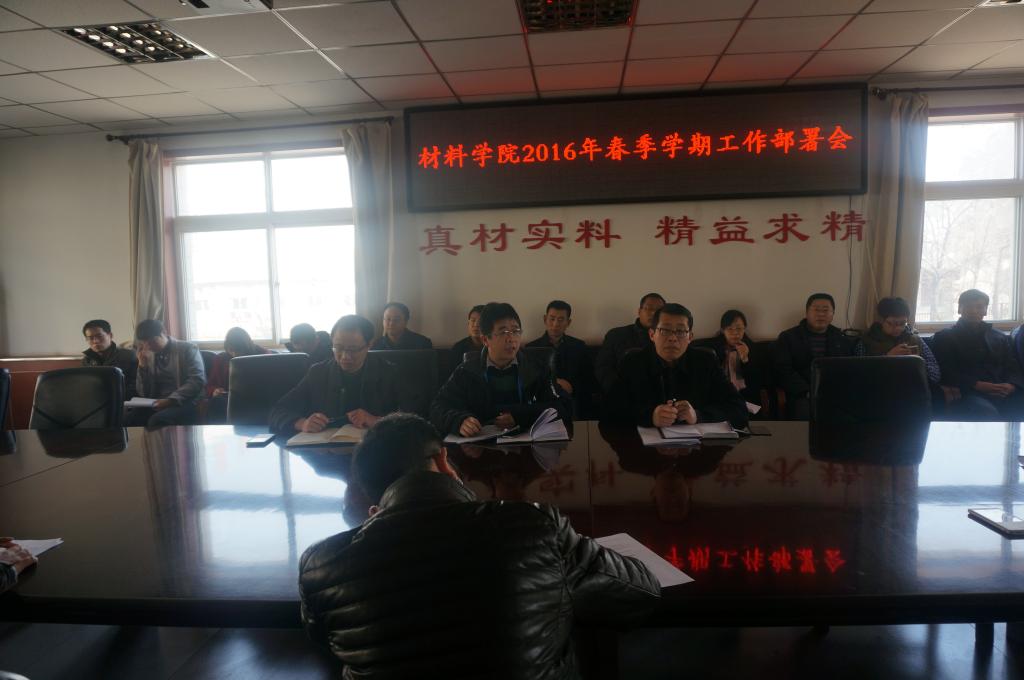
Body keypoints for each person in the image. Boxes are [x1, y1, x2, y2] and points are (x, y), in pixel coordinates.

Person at [298, 413, 660, 680]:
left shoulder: (321, 566)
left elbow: (325, 639)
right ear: (443, 460)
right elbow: (640, 593)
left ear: (371, 499)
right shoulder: (531, 527)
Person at [430, 302, 572, 436]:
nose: (511, 338)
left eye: (516, 331)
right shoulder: (466, 371)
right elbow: (437, 407)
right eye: (503, 332)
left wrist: (520, 415)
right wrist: (458, 420)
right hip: (479, 445)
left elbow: (563, 406)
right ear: (485, 340)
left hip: (525, 446)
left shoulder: (536, 368)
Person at [610, 303, 748, 429]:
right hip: (643, 446)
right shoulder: (633, 362)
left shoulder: (706, 361)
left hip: (697, 446)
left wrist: (698, 415)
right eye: (665, 330)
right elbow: (608, 411)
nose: (673, 338)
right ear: (652, 335)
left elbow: (739, 409)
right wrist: (650, 417)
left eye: (681, 332)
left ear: (690, 337)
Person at [269, 315, 415, 434]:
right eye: (338, 348)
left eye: (353, 349)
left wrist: (376, 421)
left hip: (374, 451)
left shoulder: (390, 373)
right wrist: (302, 423)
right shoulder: (318, 373)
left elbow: (415, 418)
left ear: (369, 344)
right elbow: (278, 411)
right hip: (327, 452)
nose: (345, 357)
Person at [931, 289, 1024, 420]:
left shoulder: (999, 337)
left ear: (985, 310)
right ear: (959, 309)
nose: (974, 311)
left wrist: (1012, 385)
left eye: (979, 307)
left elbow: (1013, 366)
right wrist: (977, 385)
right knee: (986, 412)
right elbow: (945, 371)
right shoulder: (944, 337)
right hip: (968, 392)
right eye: (968, 306)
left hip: (1003, 390)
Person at [774, 293, 855, 420]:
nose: (821, 314)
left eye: (826, 310)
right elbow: (783, 370)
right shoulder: (788, 337)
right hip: (802, 394)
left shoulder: (841, 339)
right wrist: (807, 391)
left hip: (835, 392)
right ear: (807, 313)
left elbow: (848, 369)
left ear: (833, 314)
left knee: (852, 412)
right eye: (816, 310)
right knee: (805, 415)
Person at [125, 319, 206, 428]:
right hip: (157, 401)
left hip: (185, 401)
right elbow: (143, 393)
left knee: (157, 420)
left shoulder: (188, 349)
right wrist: (142, 367)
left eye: (152, 341)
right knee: (129, 418)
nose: (149, 347)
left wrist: (170, 400)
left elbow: (197, 381)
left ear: (164, 332)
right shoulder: (147, 354)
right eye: (145, 343)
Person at [526, 300, 594, 417]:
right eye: (552, 319)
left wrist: (572, 386)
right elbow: (529, 382)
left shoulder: (579, 346)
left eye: (561, 320)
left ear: (568, 322)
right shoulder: (531, 348)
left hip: (572, 400)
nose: (555, 324)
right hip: (542, 402)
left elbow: (588, 379)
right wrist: (554, 384)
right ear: (545, 319)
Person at [856, 296, 941, 388]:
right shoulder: (866, 341)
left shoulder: (914, 339)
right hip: (880, 390)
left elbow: (935, 372)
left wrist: (916, 363)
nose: (898, 328)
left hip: (912, 389)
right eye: (891, 323)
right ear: (881, 320)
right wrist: (887, 358)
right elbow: (860, 375)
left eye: (902, 323)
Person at [693, 310, 764, 412]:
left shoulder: (753, 348)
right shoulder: (712, 348)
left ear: (744, 328)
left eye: (739, 328)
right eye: (730, 329)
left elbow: (757, 382)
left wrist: (745, 359)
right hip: (718, 397)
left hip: (745, 398)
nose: (735, 333)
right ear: (723, 330)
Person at [595, 292, 665, 395]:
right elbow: (603, 368)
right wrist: (618, 390)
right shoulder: (616, 335)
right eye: (649, 308)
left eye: (658, 310)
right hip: (622, 393)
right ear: (639, 311)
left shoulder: (669, 338)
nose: (653, 313)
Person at [205, 327, 269, 423]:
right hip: (229, 399)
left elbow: (271, 383)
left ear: (246, 346)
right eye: (231, 350)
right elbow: (210, 385)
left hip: (257, 398)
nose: (234, 354)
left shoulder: (262, 355)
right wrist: (215, 391)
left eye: (238, 350)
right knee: (216, 402)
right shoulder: (221, 359)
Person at [81, 319, 138, 399]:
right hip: (96, 401)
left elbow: (136, 386)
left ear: (110, 335)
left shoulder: (129, 356)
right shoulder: (87, 360)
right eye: (90, 338)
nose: (95, 341)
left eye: (99, 336)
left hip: (123, 401)